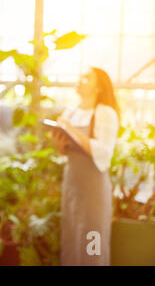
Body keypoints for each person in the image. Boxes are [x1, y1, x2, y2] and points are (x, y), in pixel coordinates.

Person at [51, 67, 120, 266]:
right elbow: (65, 152)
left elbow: (104, 152)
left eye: (87, 77)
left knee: (92, 240)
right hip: (72, 184)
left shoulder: (105, 113)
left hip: (94, 189)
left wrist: (70, 129)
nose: (80, 79)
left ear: (99, 87)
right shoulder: (70, 113)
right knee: (72, 238)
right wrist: (59, 142)